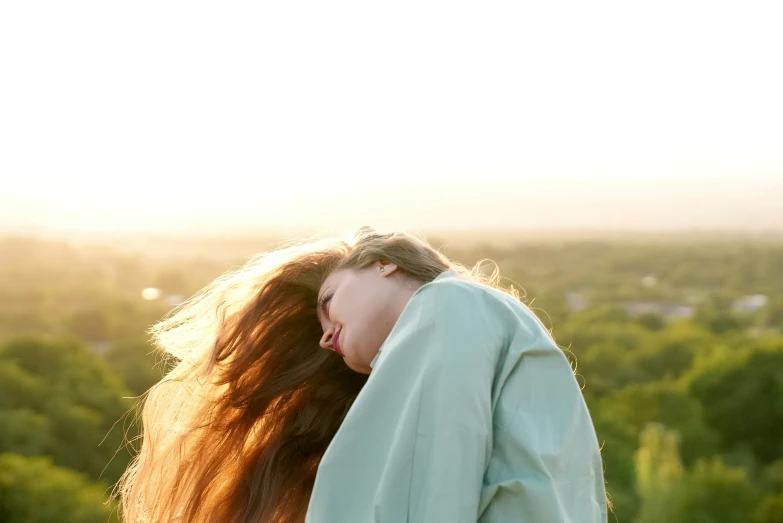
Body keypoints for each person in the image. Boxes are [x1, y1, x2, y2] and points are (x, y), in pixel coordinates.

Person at [116, 226, 608, 523]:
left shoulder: (450, 302)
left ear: (383, 266)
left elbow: (435, 475)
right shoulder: (485, 324)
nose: (328, 336)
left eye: (328, 303)